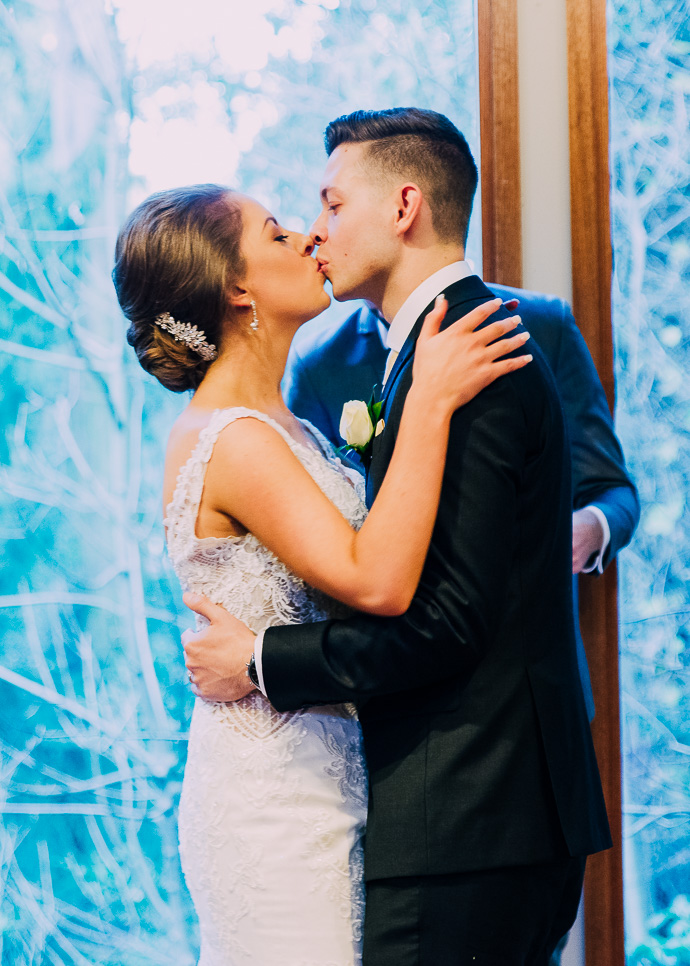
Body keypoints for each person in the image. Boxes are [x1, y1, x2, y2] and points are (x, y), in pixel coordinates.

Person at [183, 108, 613, 965]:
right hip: (463, 815)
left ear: (405, 205)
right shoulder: (424, 356)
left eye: (333, 206)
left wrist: (262, 662)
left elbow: (446, 621)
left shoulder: (471, 353)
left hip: (471, 814)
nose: (317, 233)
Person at [112, 182, 531, 966]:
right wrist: (433, 403)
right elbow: (375, 583)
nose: (308, 238)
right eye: (275, 235)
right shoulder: (233, 437)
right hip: (274, 800)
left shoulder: (289, 425)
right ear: (238, 290)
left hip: (328, 776)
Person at [282, 291, 640, 721]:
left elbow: (614, 490)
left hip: (534, 687)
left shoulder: (543, 324)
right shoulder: (320, 362)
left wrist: (588, 528)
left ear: (403, 218)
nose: (319, 232)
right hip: (398, 684)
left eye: (335, 215)